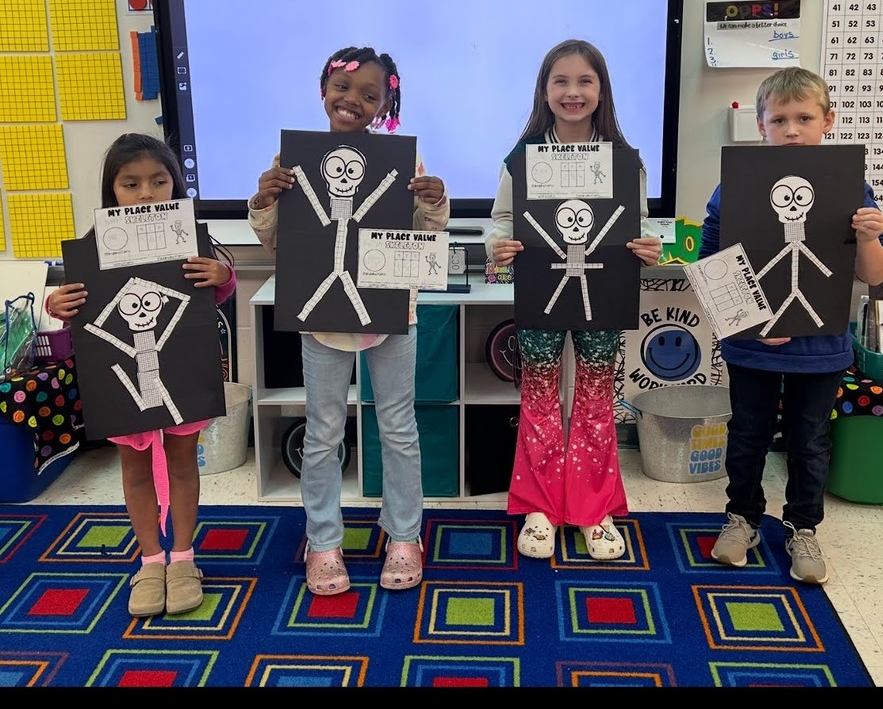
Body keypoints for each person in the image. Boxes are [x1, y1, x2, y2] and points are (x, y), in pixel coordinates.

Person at [248, 45, 449, 595]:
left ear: (386, 103)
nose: (353, 101)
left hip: (388, 310)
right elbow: (276, 243)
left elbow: (424, 243)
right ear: (323, 90)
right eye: (343, 88)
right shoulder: (290, 163)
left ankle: (405, 534)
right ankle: (323, 540)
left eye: (369, 94)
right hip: (321, 317)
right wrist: (264, 201)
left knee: (399, 428)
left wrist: (434, 204)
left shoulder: (404, 163)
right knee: (323, 433)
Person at [699, 67, 883, 584]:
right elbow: (713, 267)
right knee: (747, 433)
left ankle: (803, 526)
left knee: (810, 440)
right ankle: (742, 518)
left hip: (820, 348)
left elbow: (873, 275)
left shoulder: (852, 188)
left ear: (827, 121)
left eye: (804, 118)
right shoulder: (734, 189)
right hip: (754, 345)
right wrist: (749, 324)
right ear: (759, 127)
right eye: (778, 119)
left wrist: (870, 237)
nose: (791, 129)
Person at [45, 133, 237, 617]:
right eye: (130, 184)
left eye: (158, 180)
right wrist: (57, 304)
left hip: (180, 375)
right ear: (113, 191)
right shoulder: (93, 249)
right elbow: (77, 309)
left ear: (175, 184)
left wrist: (223, 278)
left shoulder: (192, 240)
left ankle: (184, 558)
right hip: (120, 380)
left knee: (182, 462)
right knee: (133, 469)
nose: (146, 193)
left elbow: (213, 293)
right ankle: (151, 559)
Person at [485, 39, 662, 561]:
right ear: (544, 90)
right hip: (540, 289)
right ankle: (539, 507)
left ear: (601, 90)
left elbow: (642, 222)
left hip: (606, 292)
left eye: (585, 81)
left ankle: (592, 510)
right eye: (560, 81)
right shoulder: (522, 160)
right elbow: (499, 222)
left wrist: (651, 243)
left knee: (594, 398)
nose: (572, 92)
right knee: (538, 396)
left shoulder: (626, 162)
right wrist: (500, 246)